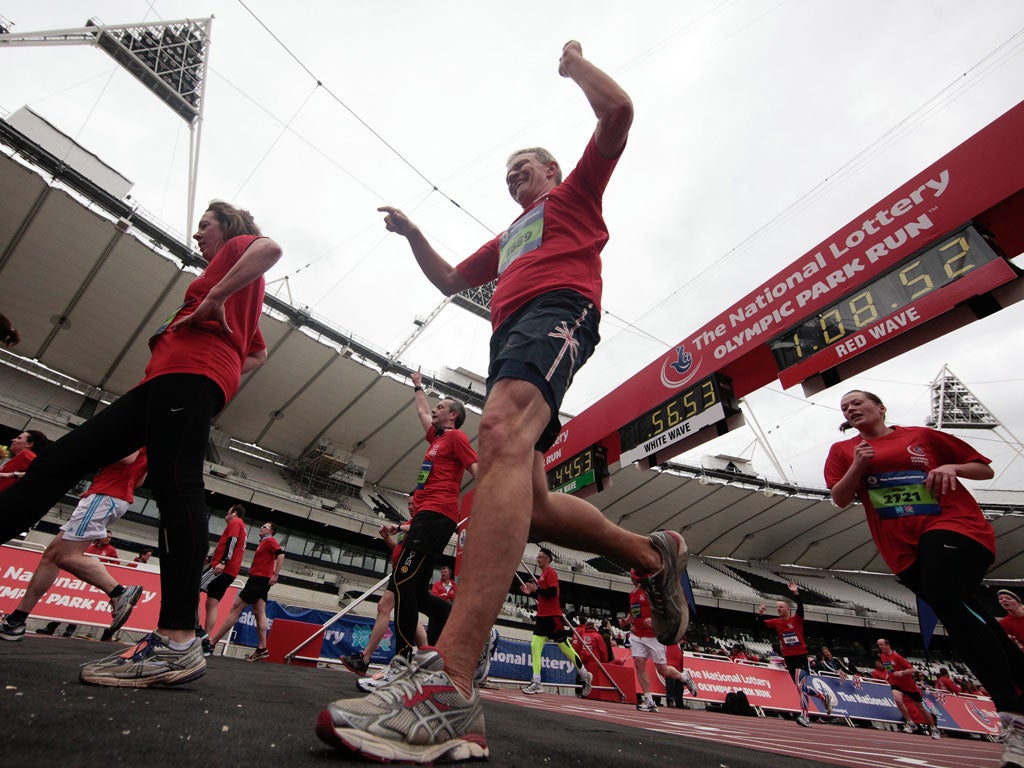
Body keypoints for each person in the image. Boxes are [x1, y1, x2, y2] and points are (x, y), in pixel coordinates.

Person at [318, 41, 689, 764]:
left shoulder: (573, 195)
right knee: (529, 494)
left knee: (498, 438)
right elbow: (454, 280)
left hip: (562, 310)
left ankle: (451, 682)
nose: (513, 174)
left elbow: (618, 113)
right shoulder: (511, 233)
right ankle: (652, 555)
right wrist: (415, 234)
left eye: (524, 165)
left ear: (551, 171)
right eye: (507, 171)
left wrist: (574, 66)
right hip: (509, 335)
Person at [0, 200, 281, 687]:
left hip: (189, 378)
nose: (198, 235)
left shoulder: (237, 250)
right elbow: (257, 351)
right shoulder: (229, 282)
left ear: (228, 227)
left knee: (176, 488)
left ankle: (176, 640)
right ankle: (176, 641)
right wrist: (230, 356)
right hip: (164, 383)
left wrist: (213, 307)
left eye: (204, 226)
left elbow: (270, 247)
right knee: (59, 461)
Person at [825, 391, 1024, 760]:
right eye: (844, 408)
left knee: (948, 597)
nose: (850, 409)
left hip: (956, 526)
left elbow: (983, 467)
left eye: (857, 402)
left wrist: (952, 468)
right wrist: (857, 466)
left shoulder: (921, 436)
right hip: (902, 552)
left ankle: (1013, 714)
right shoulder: (843, 451)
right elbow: (839, 497)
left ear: (881, 408)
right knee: (959, 612)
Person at [361, 367, 476, 690]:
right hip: (427, 516)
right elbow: (423, 411)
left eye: (442, 406)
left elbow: (475, 466)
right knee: (415, 590)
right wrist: (417, 386)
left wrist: (495, 500)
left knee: (402, 582)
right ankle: (449, 624)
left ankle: (401, 663)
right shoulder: (437, 439)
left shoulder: (456, 437)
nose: (435, 409)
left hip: (436, 516)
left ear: (453, 416)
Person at [1, 451, 148, 642]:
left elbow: (127, 457)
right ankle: (16, 620)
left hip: (107, 493)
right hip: (112, 495)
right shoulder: (152, 441)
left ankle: (119, 592)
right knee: (51, 556)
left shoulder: (138, 430)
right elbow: (140, 481)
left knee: (66, 556)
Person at [341, 522, 428, 685]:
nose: (410, 506)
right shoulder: (407, 525)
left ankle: (365, 658)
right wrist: (387, 538)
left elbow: (420, 530)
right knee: (409, 613)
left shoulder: (416, 522)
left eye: (413, 502)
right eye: (408, 503)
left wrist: (400, 527)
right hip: (400, 571)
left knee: (384, 607)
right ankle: (429, 660)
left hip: (406, 572)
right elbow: (398, 549)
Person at [519, 548, 593, 696]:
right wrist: (533, 591)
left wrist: (536, 589)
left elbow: (552, 593)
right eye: (538, 556)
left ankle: (585, 675)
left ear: (547, 559)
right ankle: (537, 681)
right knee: (535, 646)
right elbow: (544, 594)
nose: (538, 559)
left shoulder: (550, 573)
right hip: (542, 617)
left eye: (540, 557)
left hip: (553, 618)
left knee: (566, 649)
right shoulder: (542, 576)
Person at [757, 581, 832, 726]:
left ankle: (805, 716)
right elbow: (759, 625)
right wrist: (760, 614)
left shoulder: (796, 620)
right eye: (777, 607)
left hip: (800, 657)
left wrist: (796, 593)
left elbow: (801, 608)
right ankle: (823, 696)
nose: (778, 609)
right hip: (788, 659)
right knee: (801, 687)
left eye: (781, 607)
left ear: (787, 609)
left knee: (800, 687)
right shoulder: (776, 622)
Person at [621, 571, 696, 712]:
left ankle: (683, 676)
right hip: (638, 635)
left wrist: (655, 621)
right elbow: (634, 615)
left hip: (654, 636)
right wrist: (626, 621)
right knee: (639, 664)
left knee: (663, 670)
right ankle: (649, 700)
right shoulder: (632, 595)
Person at [208, 522, 284, 661]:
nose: (261, 528)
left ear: (271, 531)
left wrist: (276, 574)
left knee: (236, 608)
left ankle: (212, 642)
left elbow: (281, 555)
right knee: (259, 611)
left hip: (259, 579)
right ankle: (262, 648)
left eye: (265, 527)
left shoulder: (270, 541)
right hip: (260, 579)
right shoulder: (264, 542)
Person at [197, 504, 247, 656]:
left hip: (222, 568)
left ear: (234, 513)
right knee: (212, 603)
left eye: (228, 513)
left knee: (193, 590)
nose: (226, 516)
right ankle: (206, 639)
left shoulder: (235, 523)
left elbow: (231, 542)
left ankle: (196, 630)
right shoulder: (242, 527)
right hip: (231, 571)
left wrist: (222, 562)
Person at [876, 638, 939, 738]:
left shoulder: (897, 657)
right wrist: (889, 674)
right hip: (896, 684)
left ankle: (933, 728)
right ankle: (910, 723)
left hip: (909, 685)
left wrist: (901, 673)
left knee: (921, 708)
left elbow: (913, 670)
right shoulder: (883, 656)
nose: (879, 647)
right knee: (897, 700)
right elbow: (890, 668)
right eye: (878, 645)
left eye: (881, 645)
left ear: (888, 645)